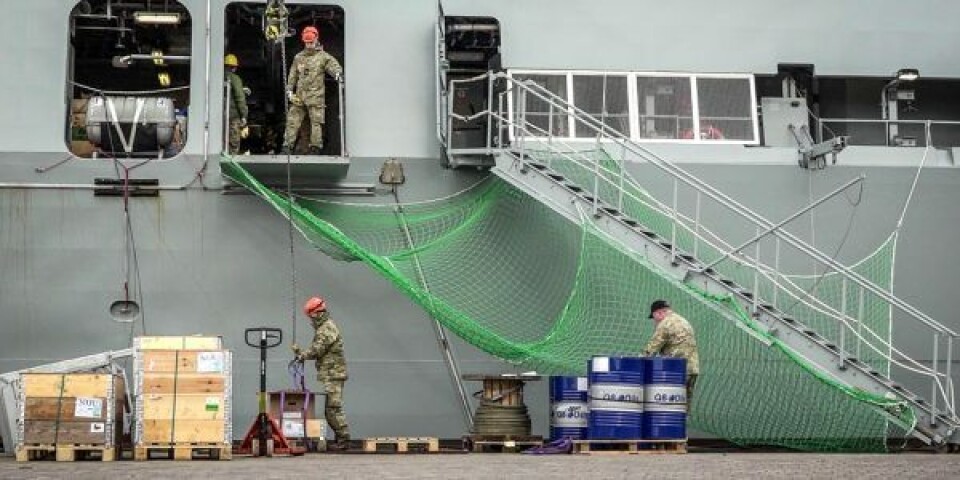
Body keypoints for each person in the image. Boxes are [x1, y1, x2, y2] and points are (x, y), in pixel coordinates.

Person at [292, 296, 351, 450]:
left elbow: (318, 349)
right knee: (331, 409)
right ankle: (341, 440)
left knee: (333, 408)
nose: (310, 319)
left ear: (316, 313)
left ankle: (344, 440)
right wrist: (301, 353)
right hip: (331, 373)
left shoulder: (327, 328)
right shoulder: (324, 327)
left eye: (310, 315)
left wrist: (302, 355)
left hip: (334, 374)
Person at [282, 26, 343, 155]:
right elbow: (292, 75)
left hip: (316, 97)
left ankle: (315, 148)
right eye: (307, 42)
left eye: (311, 42)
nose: (309, 45)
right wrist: (289, 91)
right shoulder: (298, 57)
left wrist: (337, 74)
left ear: (316, 40)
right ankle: (287, 146)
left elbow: (333, 66)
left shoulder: (323, 57)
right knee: (292, 121)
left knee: (316, 123)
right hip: (300, 96)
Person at [642, 299, 700, 404]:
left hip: (676, 370)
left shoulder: (665, 324)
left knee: (670, 405)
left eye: (654, 317)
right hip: (692, 369)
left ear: (659, 313)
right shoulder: (683, 321)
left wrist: (637, 362)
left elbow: (650, 351)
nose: (655, 321)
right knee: (683, 406)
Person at [224, 54, 248, 154]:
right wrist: (244, 115)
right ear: (234, 67)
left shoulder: (216, 76)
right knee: (233, 144)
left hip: (218, 117)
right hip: (233, 116)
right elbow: (239, 97)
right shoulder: (234, 78)